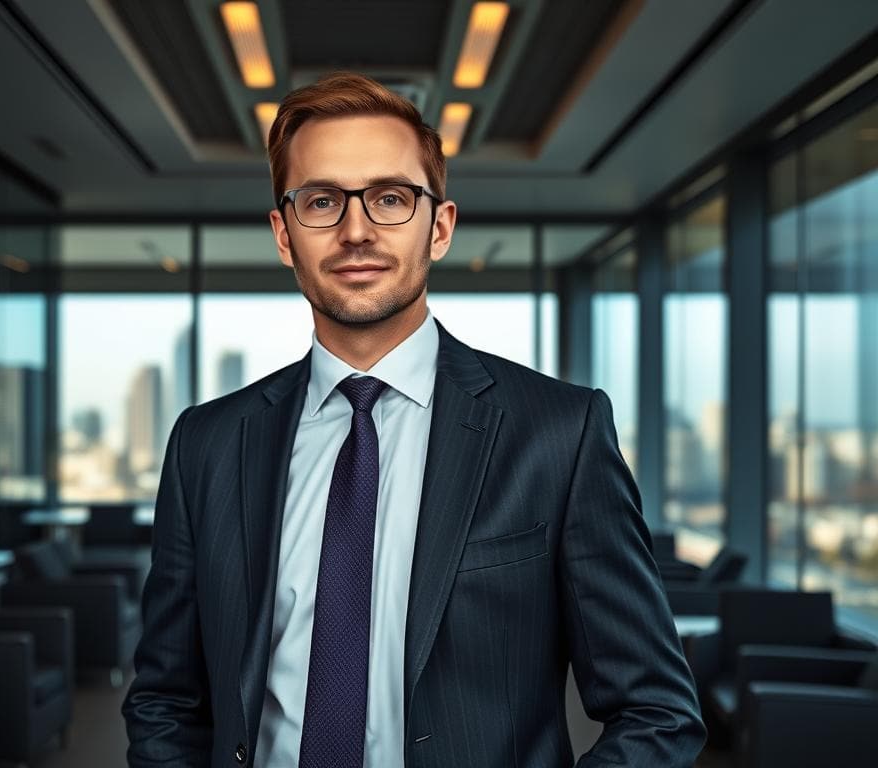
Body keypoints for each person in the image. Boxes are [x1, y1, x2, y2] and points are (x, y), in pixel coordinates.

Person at [123, 72, 705, 768]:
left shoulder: (559, 434)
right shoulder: (207, 444)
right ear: (284, 234)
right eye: (321, 201)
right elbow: (165, 700)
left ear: (441, 227)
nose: (356, 231)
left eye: (391, 199)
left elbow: (657, 711)